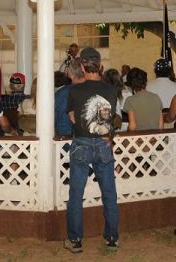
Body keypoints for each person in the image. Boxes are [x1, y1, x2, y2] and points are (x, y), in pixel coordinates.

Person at [64, 47, 119, 253]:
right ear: (100, 65)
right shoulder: (111, 90)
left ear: (82, 66)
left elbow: (72, 117)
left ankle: (75, 239)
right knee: (109, 193)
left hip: (82, 143)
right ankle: (112, 237)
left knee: (76, 194)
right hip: (104, 144)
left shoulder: (74, 91)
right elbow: (109, 118)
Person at [54, 58, 85, 137]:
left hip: (64, 141)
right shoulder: (96, 90)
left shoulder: (60, 94)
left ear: (69, 73)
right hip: (92, 141)